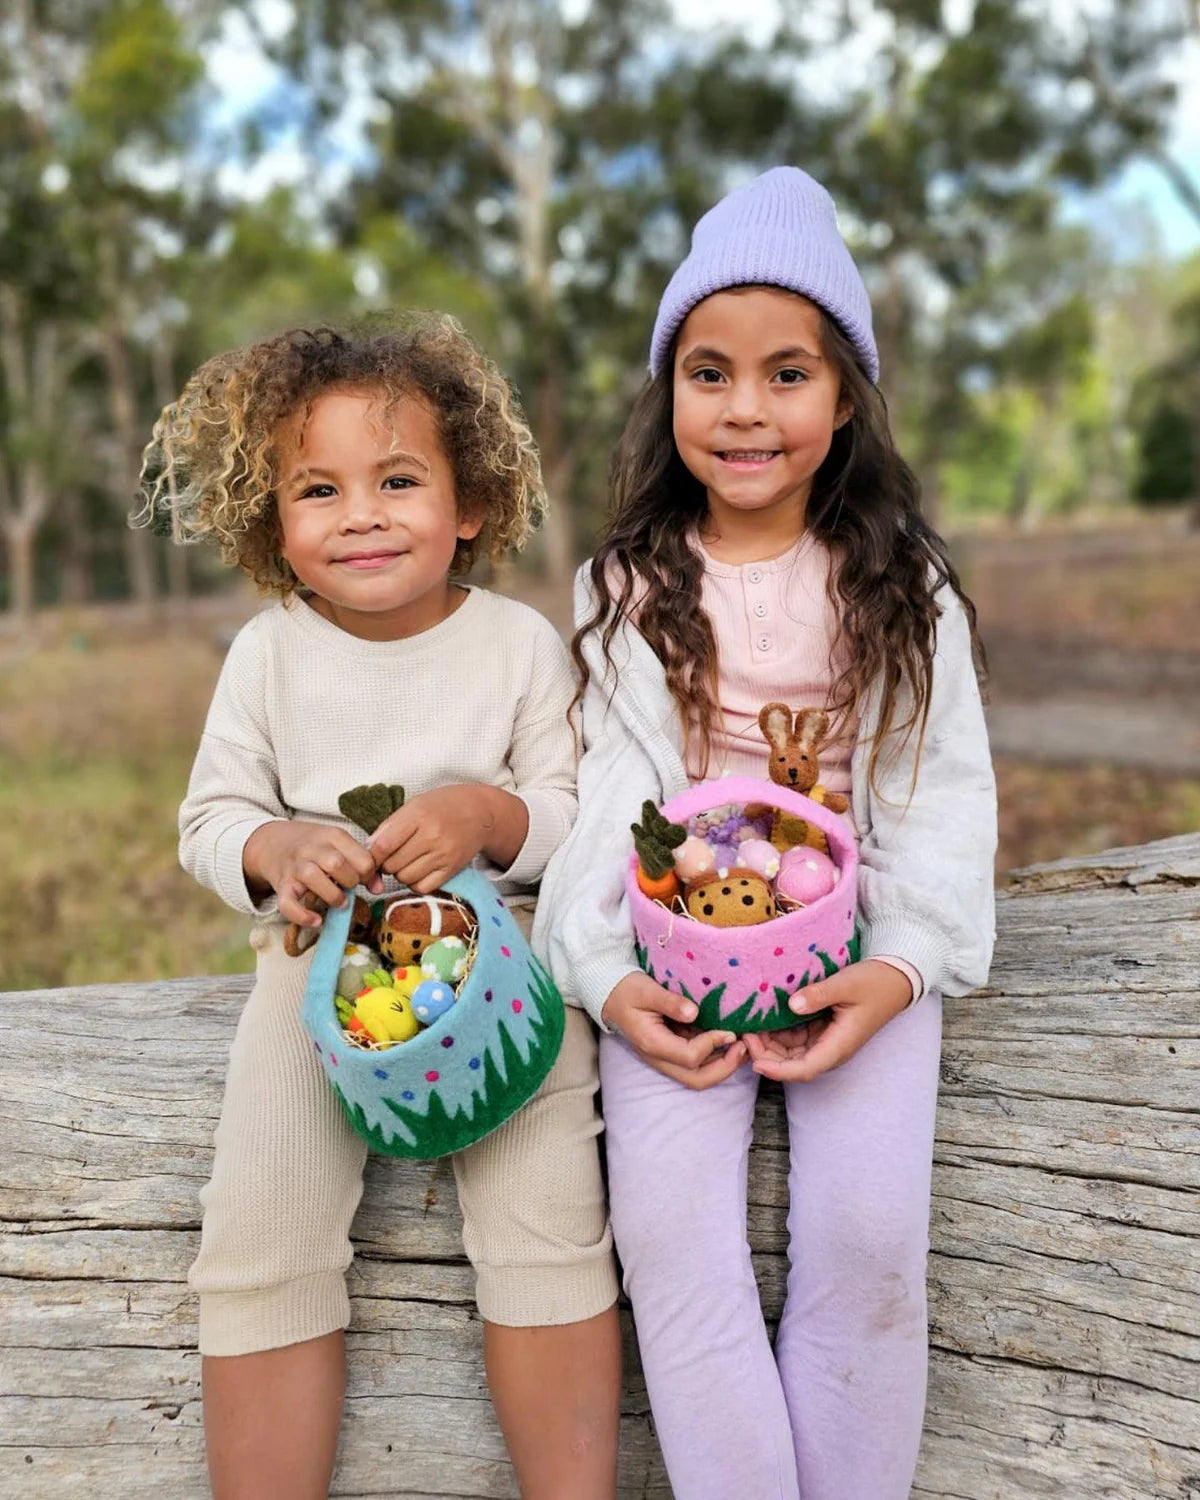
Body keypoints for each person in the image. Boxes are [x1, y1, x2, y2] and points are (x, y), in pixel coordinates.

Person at [533, 167, 997, 1500]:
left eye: (787, 373)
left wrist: (900, 967)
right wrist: (607, 979)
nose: (745, 408)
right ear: (669, 391)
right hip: (677, 956)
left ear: (844, 397)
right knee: (674, 1245)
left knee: (868, 1241)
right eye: (710, 373)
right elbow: (614, 797)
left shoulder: (899, 586)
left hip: (855, 947)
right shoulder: (629, 588)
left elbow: (940, 788)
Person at [141, 315, 620, 1500]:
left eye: (398, 480)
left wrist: (488, 817)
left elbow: (574, 810)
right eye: (319, 489)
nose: (361, 514)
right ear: (273, 523)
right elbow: (210, 820)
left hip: (505, 964)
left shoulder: (519, 646)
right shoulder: (269, 656)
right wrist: (275, 848)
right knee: (261, 1231)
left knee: (548, 1220)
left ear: (472, 504)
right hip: (317, 973)